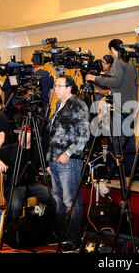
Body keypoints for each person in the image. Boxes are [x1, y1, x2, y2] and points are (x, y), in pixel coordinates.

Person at [46, 75, 90, 251]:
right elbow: (53, 134)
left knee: (71, 201)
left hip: (69, 161)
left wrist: (69, 153)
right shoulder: (58, 105)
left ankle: (75, 239)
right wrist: (50, 159)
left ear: (69, 87)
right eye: (55, 85)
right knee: (58, 200)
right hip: (55, 159)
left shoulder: (77, 104)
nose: (56, 89)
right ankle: (61, 234)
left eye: (59, 85)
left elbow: (84, 134)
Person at [86, 39, 139, 177]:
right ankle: (130, 170)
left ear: (113, 50)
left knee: (117, 140)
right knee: (129, 139)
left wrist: (94, 78)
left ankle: (116, 171)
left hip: (120, 105)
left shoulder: (119, 62)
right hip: (132, 104)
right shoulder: (132, 62)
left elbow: (114, 82)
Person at [0, 127, 56, 224]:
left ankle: (45, 225)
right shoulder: (11, 148)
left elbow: (48, 168)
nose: (21, 136)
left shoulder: (37, 150)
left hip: (32, 185)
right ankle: (11, 230)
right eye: (20, 134)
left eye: (24, 134)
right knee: (15, 205)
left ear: (31, 136)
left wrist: (57, 180)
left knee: (54, 197)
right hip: (14, 185)